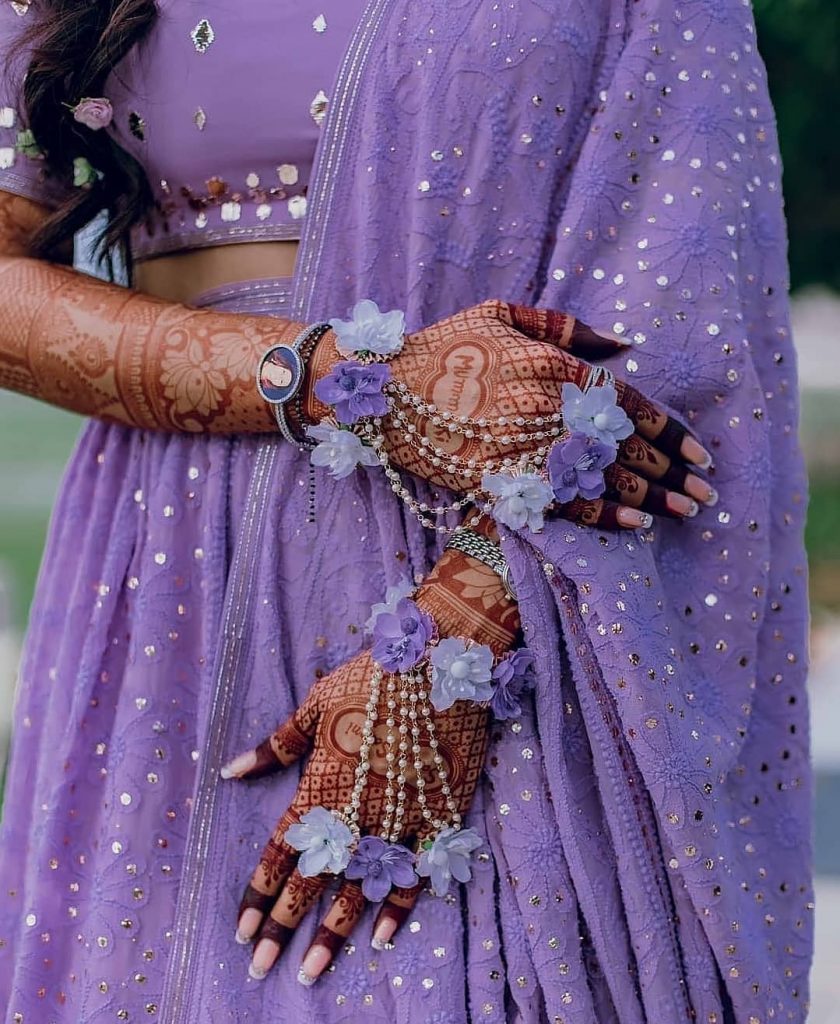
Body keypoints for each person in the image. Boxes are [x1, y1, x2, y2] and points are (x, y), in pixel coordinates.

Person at [0, 1, 813, 1022]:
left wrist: (456, 645)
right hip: (167, 590)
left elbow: (691, 317)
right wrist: (336, 375)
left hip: (501, 590)